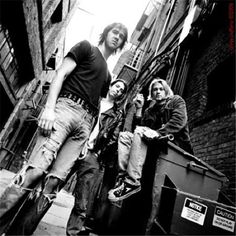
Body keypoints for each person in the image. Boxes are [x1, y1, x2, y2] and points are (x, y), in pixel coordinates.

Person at [0, 22, 128, 235]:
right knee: (35, 171)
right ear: (106, 32)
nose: (117, 37)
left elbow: (97, 105)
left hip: (85, 125)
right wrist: (49, 108)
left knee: (52, 186)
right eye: (115, 32)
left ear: (122, 43)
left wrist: (87, 139)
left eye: (122, 36)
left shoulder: (108, 76)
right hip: (65, 109)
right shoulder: (86, 47)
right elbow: (60, 74)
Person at [108, 78, 193, 202]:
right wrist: (139, 109)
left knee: (140, 132)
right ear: (151, 94)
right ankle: (123, 178)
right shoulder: (150, 111)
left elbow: (179, 122)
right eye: (155, 90)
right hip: (154, 146)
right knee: (125, 136)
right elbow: (138, 131)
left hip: (175, 147)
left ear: (166, 90)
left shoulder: (176, 101)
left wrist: (158, 132)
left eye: (161, 89)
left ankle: (132, 182)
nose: (158, 92)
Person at [66, 79, 127, 236]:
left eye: (122, 91)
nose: (118, 91)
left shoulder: (117, 114)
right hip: (74, 144)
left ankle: (73, 231)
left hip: (93, 154)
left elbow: (114, 138)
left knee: (83, 197)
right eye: (117, 86)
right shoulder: (94, 99)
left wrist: (99, 151)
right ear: (111, 86)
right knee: (54, 181)